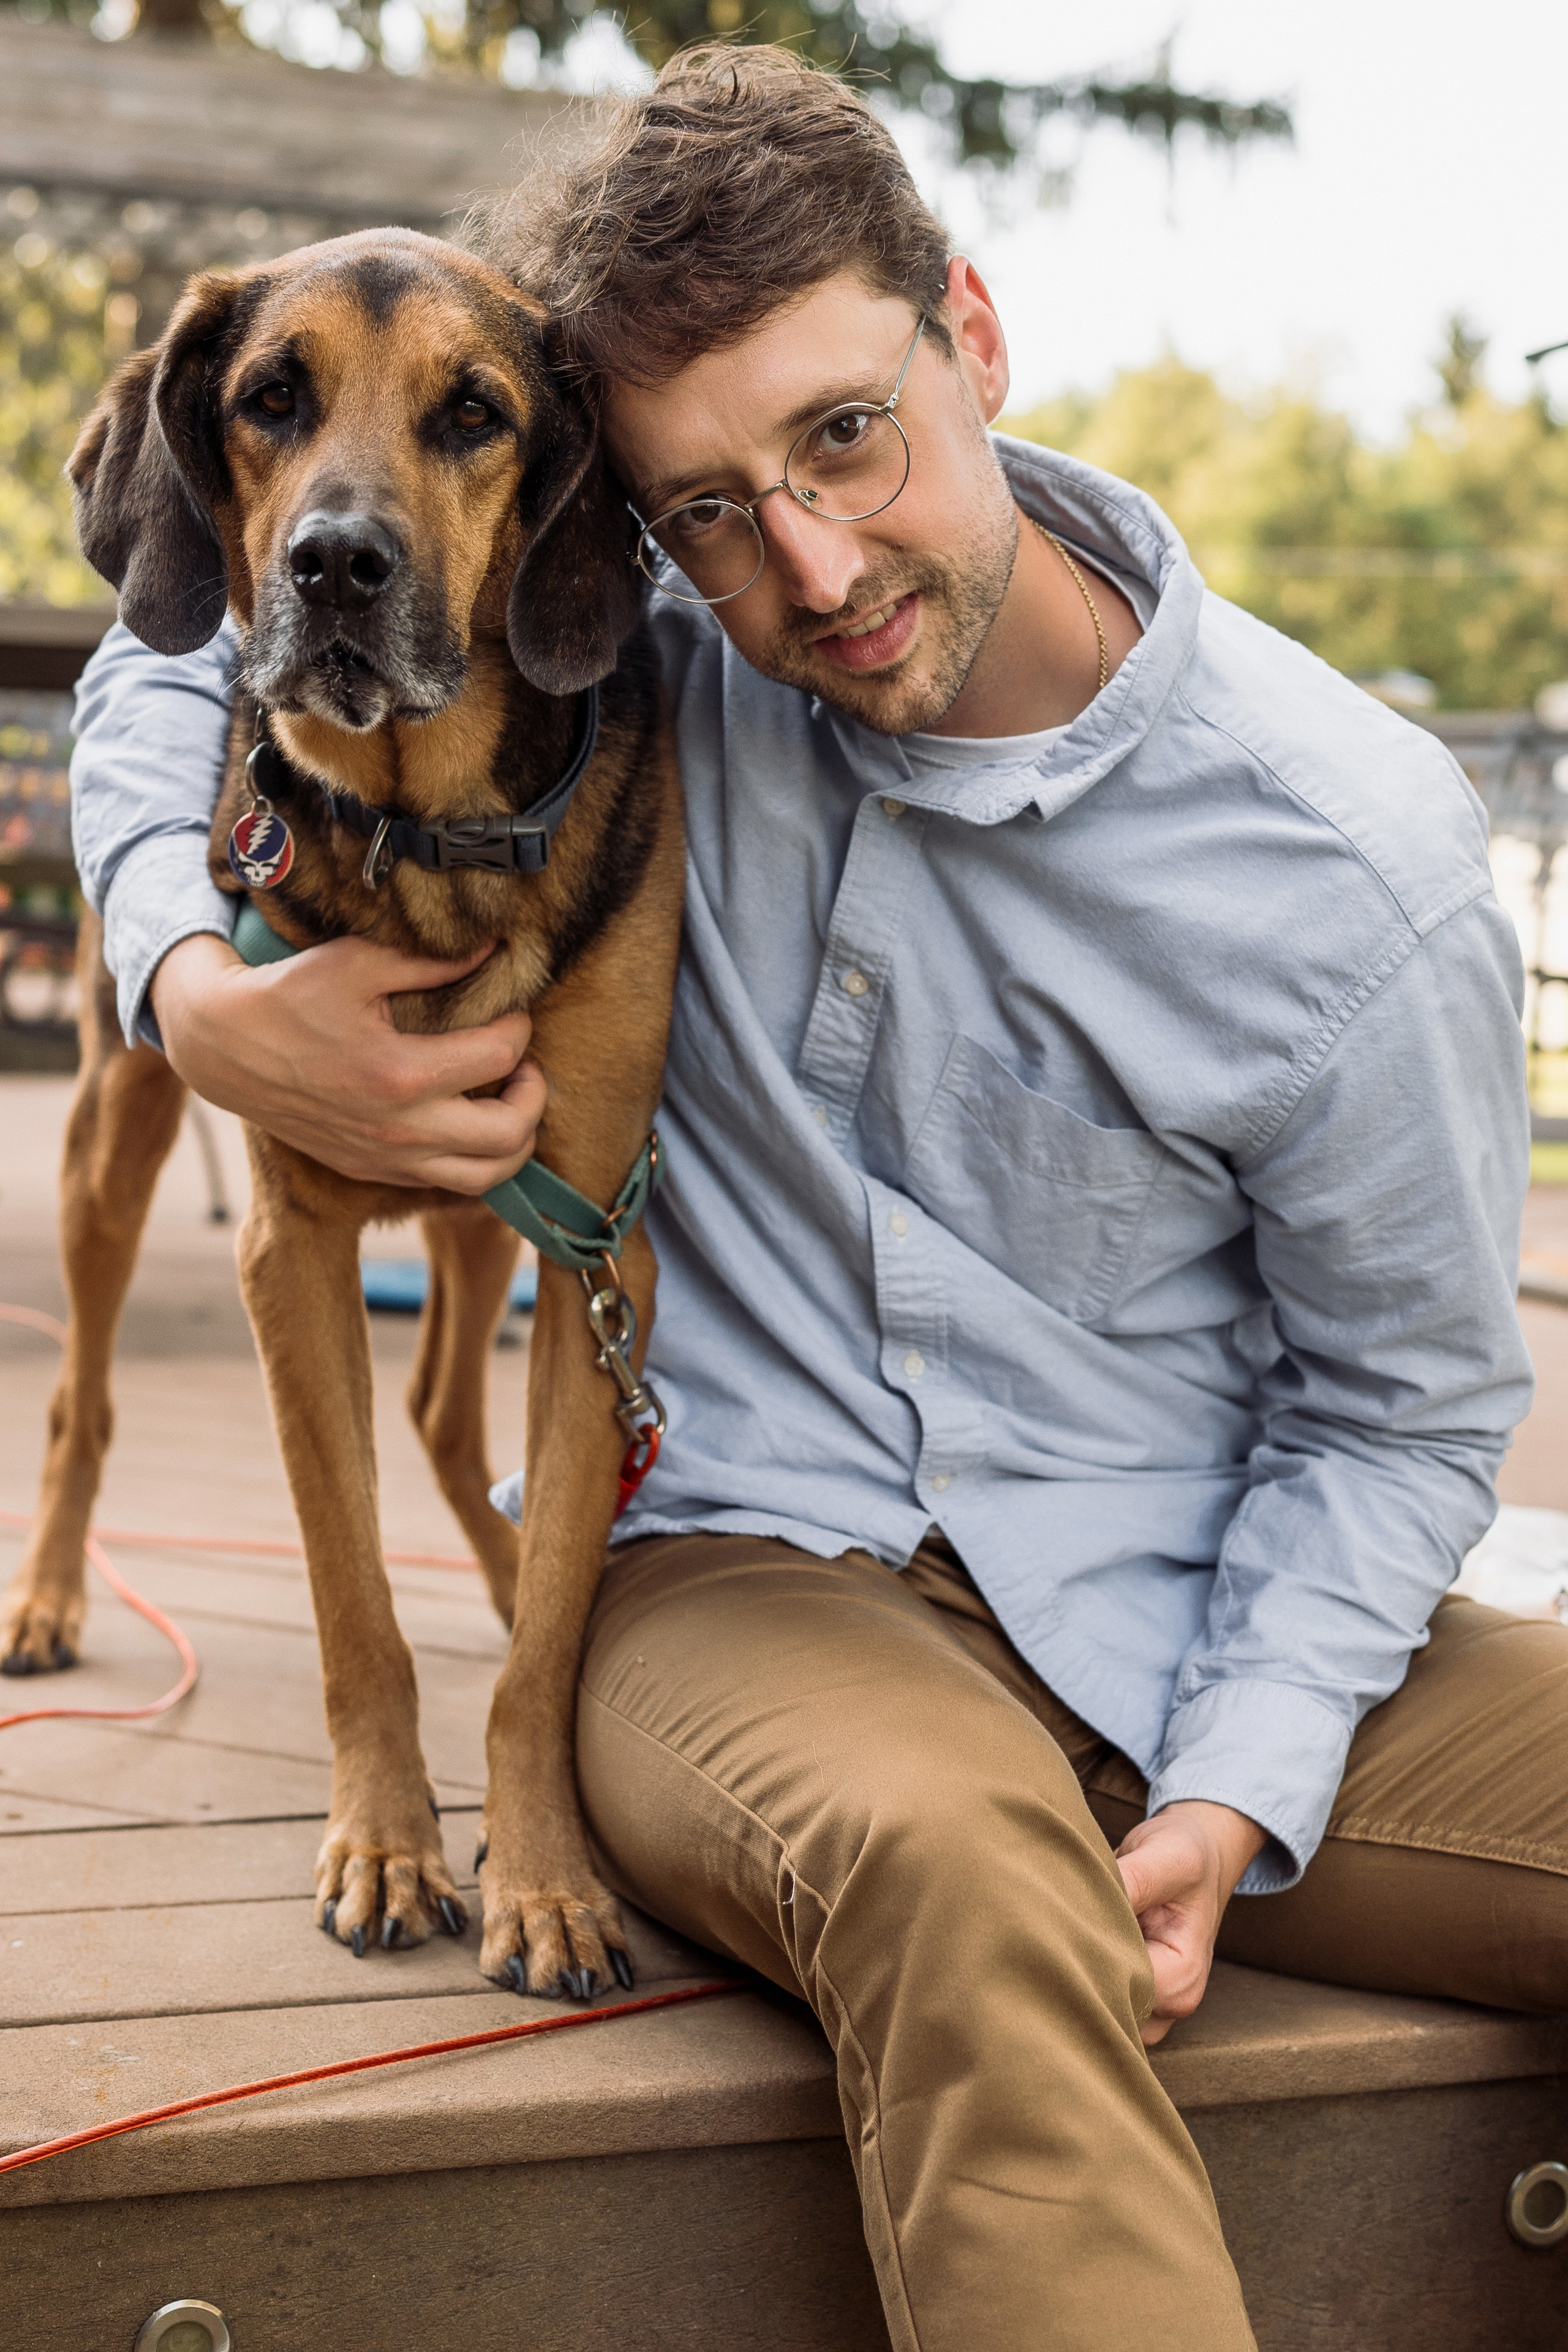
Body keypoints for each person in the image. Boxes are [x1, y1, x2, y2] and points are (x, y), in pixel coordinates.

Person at [67, 47, 1563, 2352]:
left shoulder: (1351, 864)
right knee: (967, 1888)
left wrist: (1246, 1782)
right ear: (618, 538)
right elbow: (186, 654)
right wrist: (186, 978)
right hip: (757, 1583)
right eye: (707, 512)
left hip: (1196, 1606)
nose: (812, 565)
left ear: (969, 336)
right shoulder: (651, 662)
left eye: (845, 435)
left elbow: (1404, 1417)